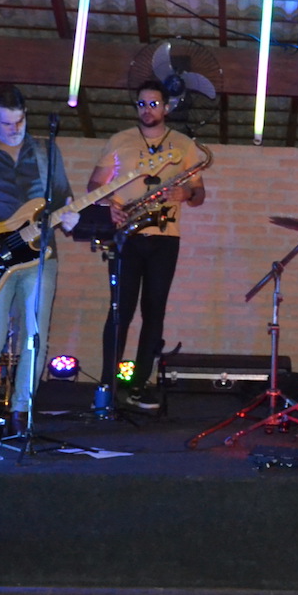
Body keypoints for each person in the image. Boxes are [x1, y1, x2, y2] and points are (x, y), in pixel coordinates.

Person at [0, 84, 79, 444]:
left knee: (35, 339)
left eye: (20, 121)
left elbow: (62, 197)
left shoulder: (46, 152)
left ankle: (22, 413)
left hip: (40, 255)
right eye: (6, 123)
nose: (15, 129)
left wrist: (71, 216)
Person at [86, 80, 208, 411]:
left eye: (154, 104)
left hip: (165, 238)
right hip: (125, 235)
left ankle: (139, 385)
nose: (147, 110)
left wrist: (186, 193)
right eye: (141, 104)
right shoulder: (119, 140)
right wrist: (108, 204)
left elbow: (200, 193)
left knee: (154, 312)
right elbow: (94, 185)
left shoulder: (183, 144)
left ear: (167, 107)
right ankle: (108, 387)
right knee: (119, 311)